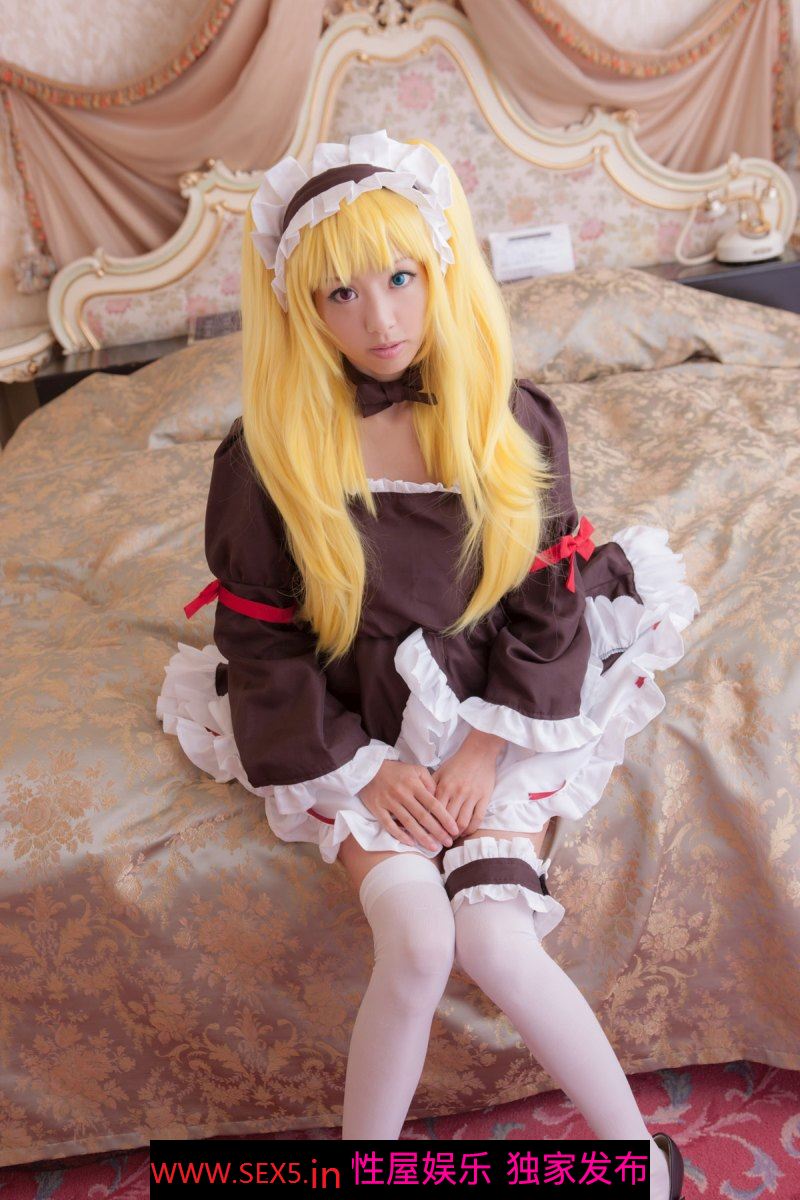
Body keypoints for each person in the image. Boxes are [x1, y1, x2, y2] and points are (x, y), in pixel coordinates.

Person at [157, 129, 695, 1199]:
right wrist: (365, 770)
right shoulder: (264, 458)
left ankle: (639, 1165)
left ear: (441, 270)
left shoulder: (509, 418)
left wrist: (485, 749)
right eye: (341, 293)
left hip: (498, 700)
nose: (381, 320)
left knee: (494, 941)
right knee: (413, 939)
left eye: (400, 278)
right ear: (301, 308)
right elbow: (262, 641)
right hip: (351, 715)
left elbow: (545, 602)